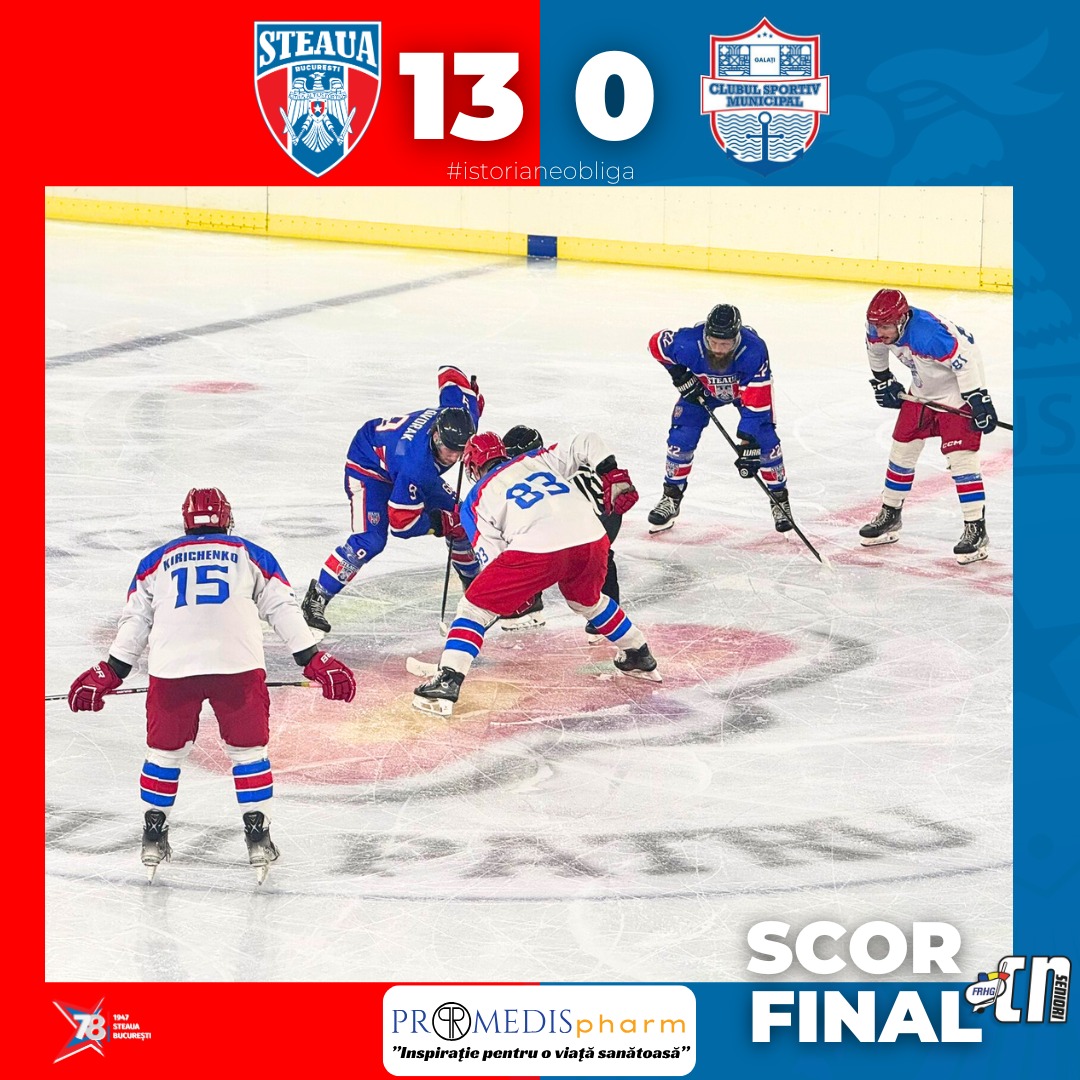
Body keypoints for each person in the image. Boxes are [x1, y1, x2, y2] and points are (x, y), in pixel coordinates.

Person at [67, 487, 357, 884]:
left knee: (164, 754)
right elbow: (283, 609)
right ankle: (258, 838)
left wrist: (111, 670)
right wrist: (312, 659)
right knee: (249, 753)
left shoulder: (155, 561)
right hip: (237, 667)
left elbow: (136, 622)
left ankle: (153, 834)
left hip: (172, 669)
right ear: (227, 518)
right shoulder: (252, 555)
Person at [412, 431, 661, 716]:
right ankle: (637, 652)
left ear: (472, 467)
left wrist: (512, 595)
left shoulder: (474, 499)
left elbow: (492, 558)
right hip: (592, 536)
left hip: (538, 548)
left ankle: (447, 679)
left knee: (474, 607)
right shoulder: (536, 458)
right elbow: (586, 440)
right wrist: (611, 471)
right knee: (587, 601)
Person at [302, 366, 484, 632]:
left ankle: (476, 589)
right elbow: (401, 524)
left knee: (462, 518)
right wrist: (439, 523)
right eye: (449, 449)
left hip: (402, 462)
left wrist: (471, 397)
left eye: (461, 450)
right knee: (370, 540)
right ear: (436, 435)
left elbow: (449, 375)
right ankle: (317, 596)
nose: (454, 457)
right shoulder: (415, 466)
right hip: (368, 468)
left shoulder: (462, 418)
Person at [859, 288, 999, 564]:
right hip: (923, 388)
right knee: (902, 450)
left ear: (901, 320)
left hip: (956, 391)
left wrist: (977, 398)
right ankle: (890, 514)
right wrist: (883, 380)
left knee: (962, 459)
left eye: (886, 326)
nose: (880, 332)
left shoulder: (930, 335)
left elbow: (965, 361)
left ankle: (976, 528)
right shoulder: (877, 328)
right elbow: (875, 352)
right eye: (876, 326)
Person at [645, 303, 794, 534]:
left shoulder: (753, 350)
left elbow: (756, 406)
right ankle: (671, 497)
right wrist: (679, 374)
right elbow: (656, 343)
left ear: (736, 339)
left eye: (725, 344)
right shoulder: (688, 343)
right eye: (713, 342)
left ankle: (779, 500)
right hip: (703, 389)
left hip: (744, 392)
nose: (718, 349)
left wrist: (748, 442)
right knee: (681, 436)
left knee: (764, 438)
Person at [502, 424, 625, 642]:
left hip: (602, 513)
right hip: (591, 510)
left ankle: (608, 614)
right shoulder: (545, 464)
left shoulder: (547, 472)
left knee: (595, 555)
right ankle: (532, 603)